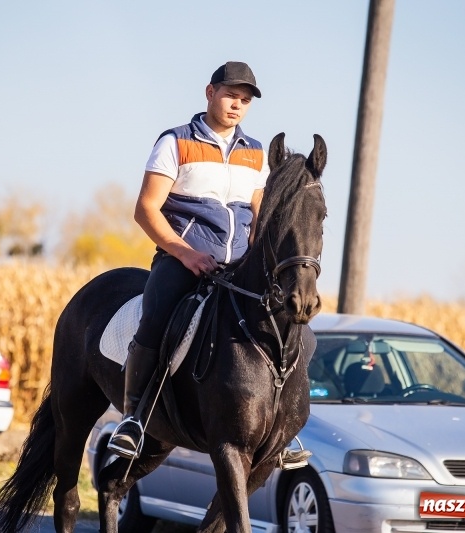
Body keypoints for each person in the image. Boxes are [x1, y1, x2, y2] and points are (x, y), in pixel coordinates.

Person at [108, 62, 312, 469]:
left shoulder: (255, 152)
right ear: (210, 92)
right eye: (231, 95)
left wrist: (263, 260)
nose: (237, 105)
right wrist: (185, 253)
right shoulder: (175, 142)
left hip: (239, 269)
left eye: (245, 100)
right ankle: (134, 419)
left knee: (299, 333)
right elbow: (146, 209)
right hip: (183, 261)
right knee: (156, 319)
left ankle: (283, 430)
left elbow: (259, 214)